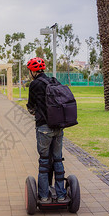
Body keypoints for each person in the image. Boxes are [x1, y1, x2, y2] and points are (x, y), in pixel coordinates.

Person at [26, 57, 69, 204]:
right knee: (57, 159)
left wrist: (34, 111)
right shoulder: (53, 81)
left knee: (44, 161)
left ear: (32, 71)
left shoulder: (34, 84)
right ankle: (61, 195)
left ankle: (44, 196)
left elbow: (31, 106)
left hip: (44, 128)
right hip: (58, 127)